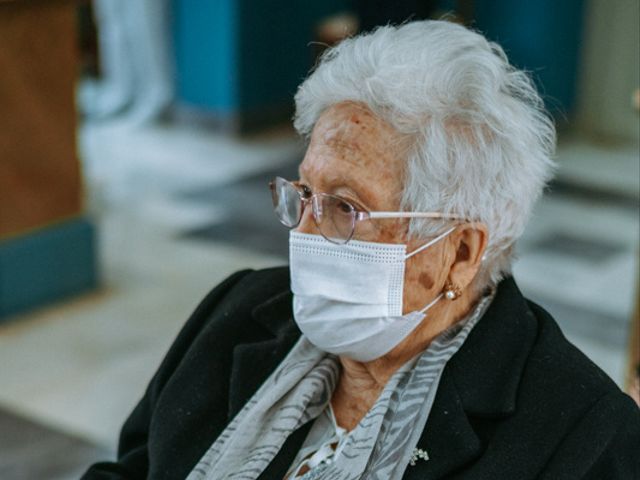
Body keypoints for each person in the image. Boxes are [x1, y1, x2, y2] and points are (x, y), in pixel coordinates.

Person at [82, 20, 640, 480]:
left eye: (346, 209)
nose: (302, 233)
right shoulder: (237, 312)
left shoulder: (579, 441)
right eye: (304, 194)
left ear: (461, 253)